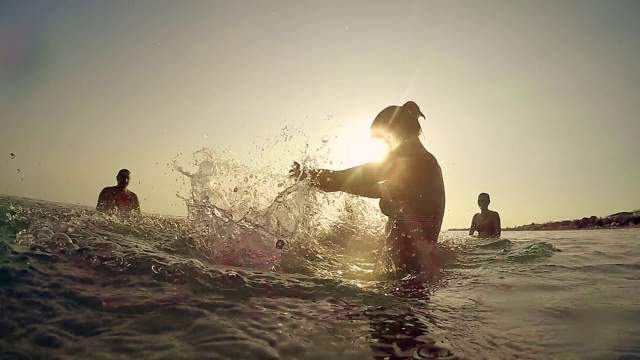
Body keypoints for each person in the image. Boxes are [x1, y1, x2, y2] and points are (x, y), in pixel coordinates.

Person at [290, 101, 445, 274]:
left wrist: (312, 176)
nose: (386, 147)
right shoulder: (422, 162)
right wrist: (334, 184)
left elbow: (352, 177)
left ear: (395, 133)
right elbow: (377, 190)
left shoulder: (414, 161)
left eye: (385, 140)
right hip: (413, 268)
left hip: (409, 271)